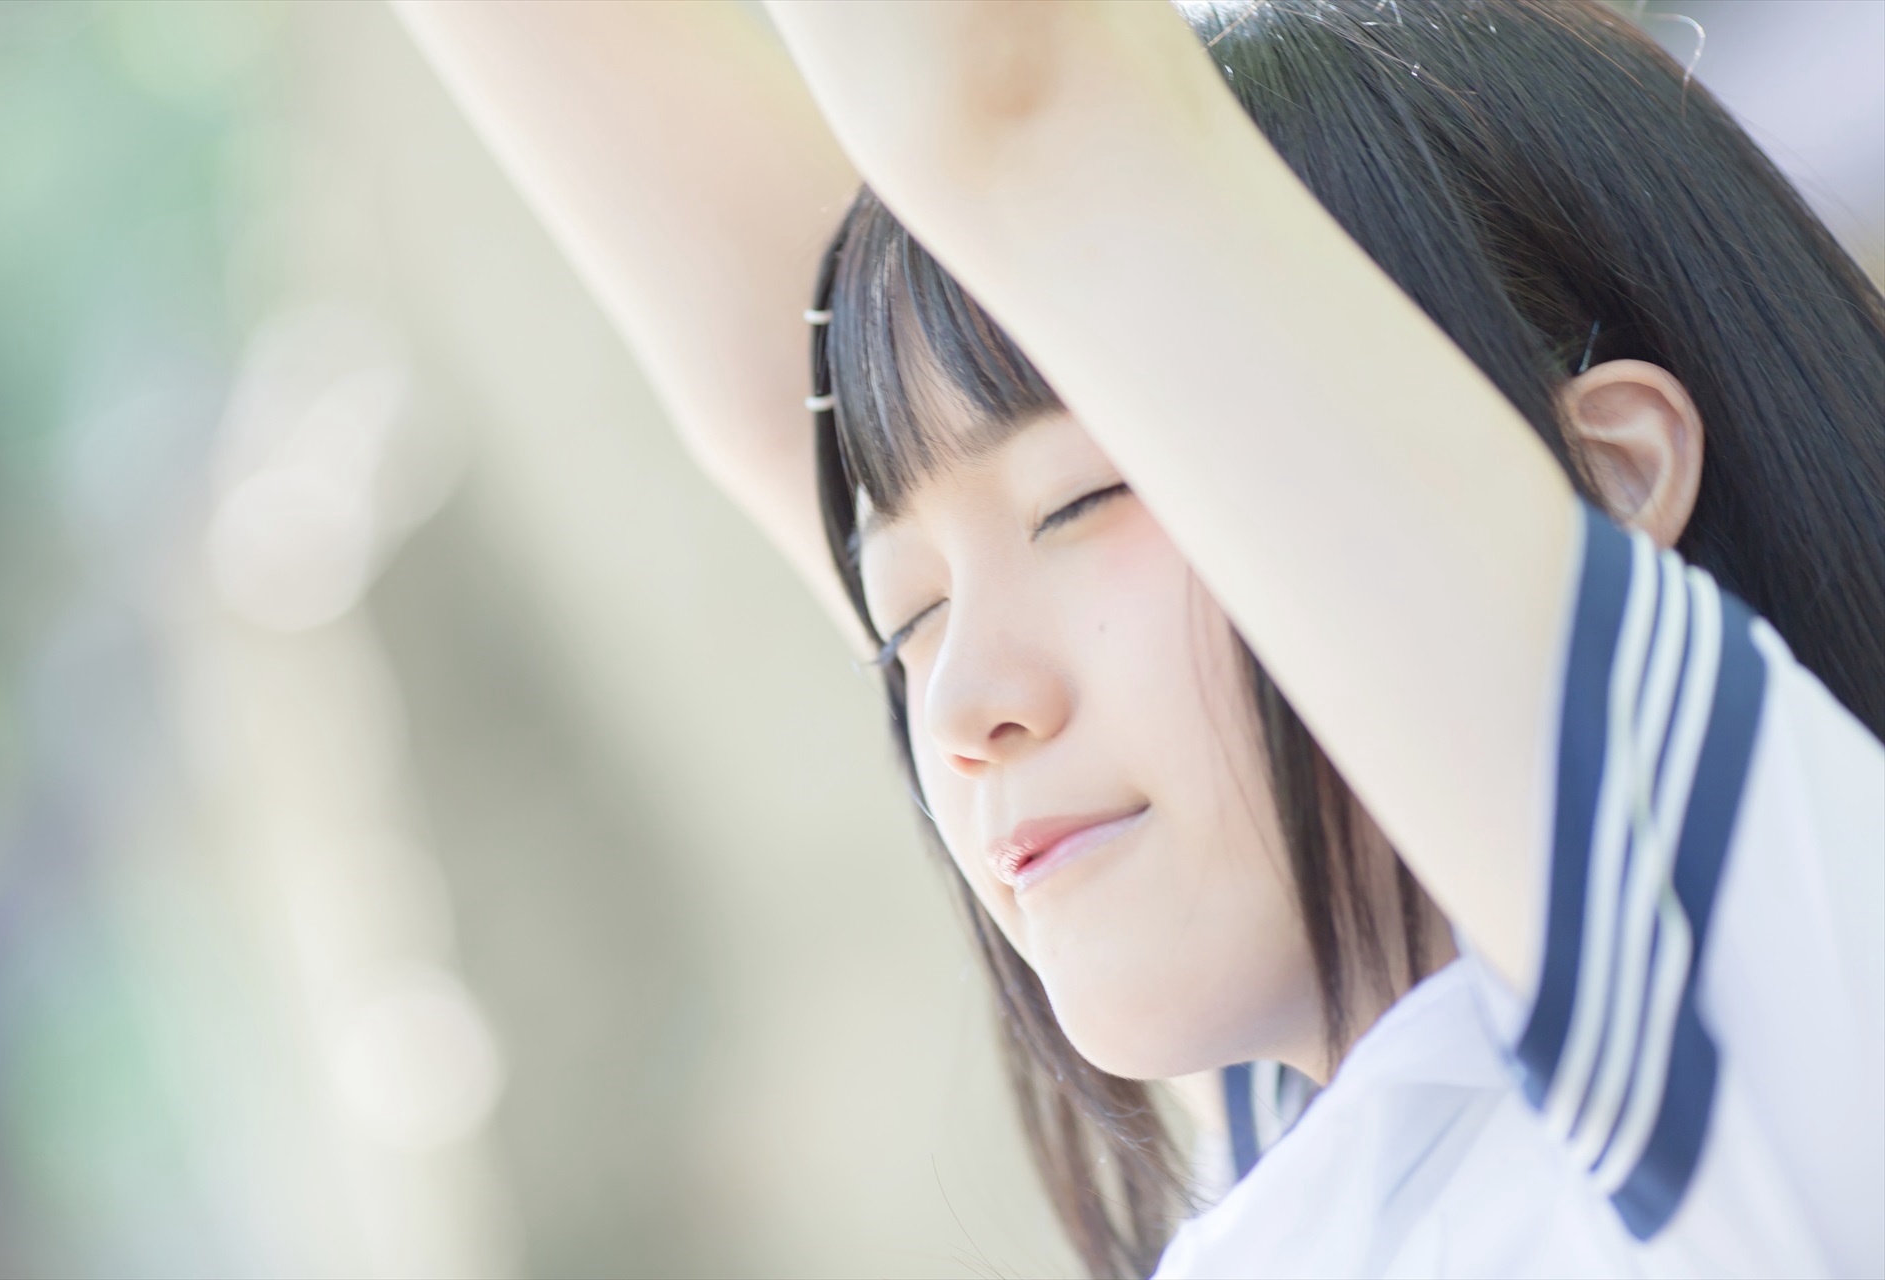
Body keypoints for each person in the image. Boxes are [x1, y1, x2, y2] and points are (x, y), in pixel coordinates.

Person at [396, 2, 1884, 1276]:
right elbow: (770, 365)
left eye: (1090, 498)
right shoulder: (1378, 1147)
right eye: (908, 613)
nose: (965, 706)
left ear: (1606, 480)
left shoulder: (1766, 1029)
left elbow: (1018, 110)